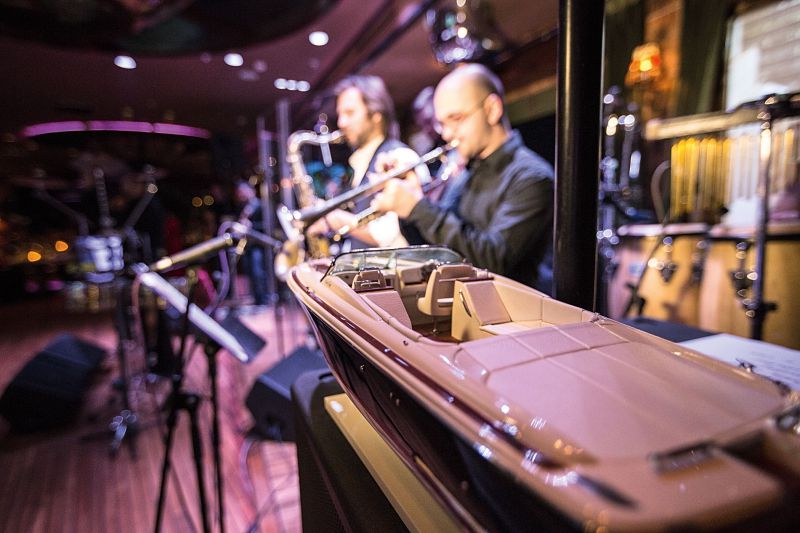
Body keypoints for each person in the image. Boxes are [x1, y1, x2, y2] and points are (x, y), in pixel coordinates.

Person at [373, 63, 554, 292]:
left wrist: (418, 208)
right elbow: (436, 249)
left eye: (456, 118)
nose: (447, 134)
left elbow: (493, 261)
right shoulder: (465, 173)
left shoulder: (531, 177)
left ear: (492, 110)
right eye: (442, 124)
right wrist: (409, 206)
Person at [308, 75, 429, 249]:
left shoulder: (399, 156)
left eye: (350, 113)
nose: (341, 122)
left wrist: (335, 218)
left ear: (376, 115)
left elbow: (390, 235)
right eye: (340, 114)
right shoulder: (359, 165)